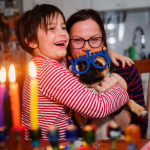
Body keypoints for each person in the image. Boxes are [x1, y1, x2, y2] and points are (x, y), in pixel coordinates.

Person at [14, 4, 130, 140]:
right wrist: (122, 89)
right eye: (52, 28)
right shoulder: (50, 71)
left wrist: (106, 53)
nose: (63, 33)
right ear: (32, 41)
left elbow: (78, 55)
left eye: (63, 27)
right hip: (48, 145)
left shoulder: (42, 63)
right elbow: (98, 107)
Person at [66, 9, 148, 138]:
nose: (86, 48)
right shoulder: (63, 75)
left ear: (103, 41)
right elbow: (72, 131)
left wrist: (114, 101)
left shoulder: (125, 69)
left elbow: (140, 131)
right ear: (68, 44)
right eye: (77, 40)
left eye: (94, 39)